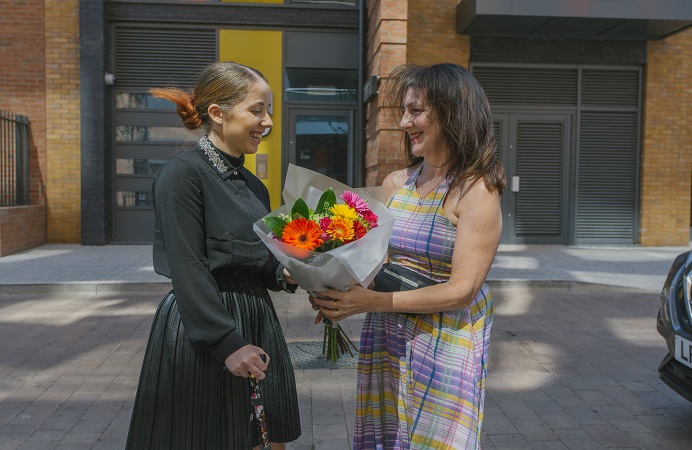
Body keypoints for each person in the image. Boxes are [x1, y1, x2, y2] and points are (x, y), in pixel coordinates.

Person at [311, 63, 506, 449]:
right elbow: (375, 262)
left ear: (452, 113)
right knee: (389, 435)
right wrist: (332, 286)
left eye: (415, 111)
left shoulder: (476, 191)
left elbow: (461, 291)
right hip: (389, 336)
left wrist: (372, 301)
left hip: (444, 342)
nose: (404, 122)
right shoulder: (396, 183)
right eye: (404, 111)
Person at [126, 61, 301, 450]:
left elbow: (257, 259)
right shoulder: (182, 174)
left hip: (255, 319)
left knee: (267, 441)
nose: (267, 121)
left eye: (268, 110)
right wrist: (227, 343)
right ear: (218, 114)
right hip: (206, 330)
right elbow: (187, 266)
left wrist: (289, 273)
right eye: (257, 110)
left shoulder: (255, 185)